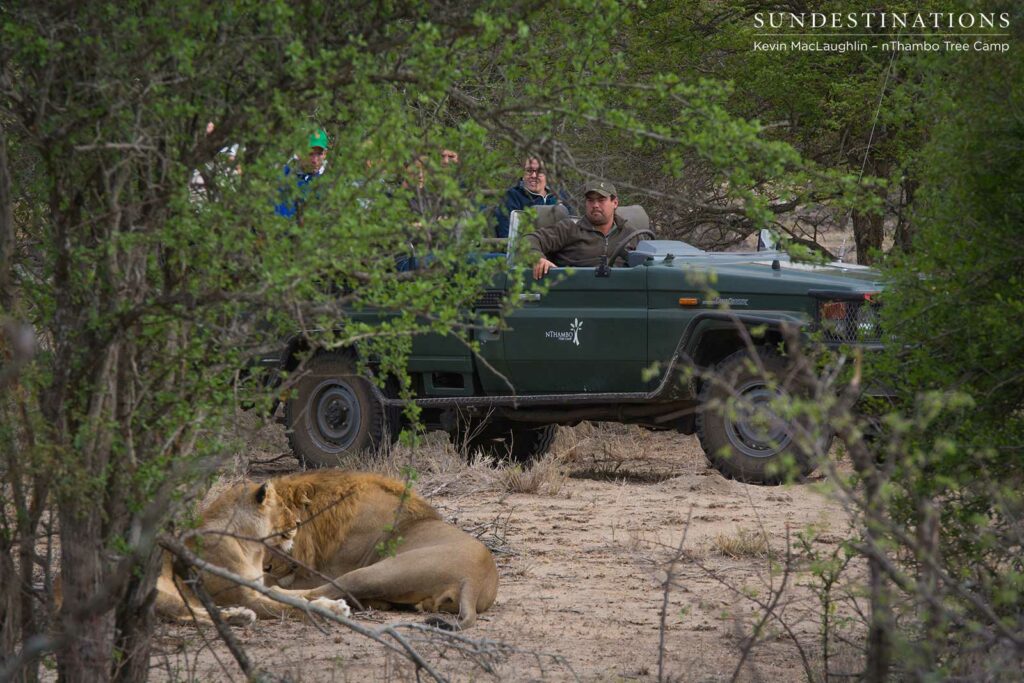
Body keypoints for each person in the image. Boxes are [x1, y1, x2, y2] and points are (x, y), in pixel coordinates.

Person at [526, 181, 642, 280]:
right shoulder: (569, 229)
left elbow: (650, 263)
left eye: (601, 200)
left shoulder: (631, 234)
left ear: (615, 203)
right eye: (590, 200)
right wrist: (538, 259)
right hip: (578, 294)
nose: (595, 205)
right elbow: (529, 240)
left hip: (623, 295)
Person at [493, 156, 567, 238]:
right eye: (529, 171)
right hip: (525, 248)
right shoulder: (511, 197)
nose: (534, 175)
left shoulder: (560, 196)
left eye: (540, 171)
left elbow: (572, 229)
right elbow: (506, 236)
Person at [274, 129, 329, 220]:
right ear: (298, 153)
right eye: (310, 154)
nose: (315, 160)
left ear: (325, 154)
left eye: (319, 154)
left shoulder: (328, 185)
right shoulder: (281, 177)